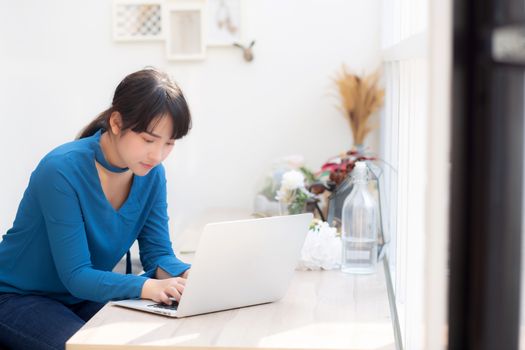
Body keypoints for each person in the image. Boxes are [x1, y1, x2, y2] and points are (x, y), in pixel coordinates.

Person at [0, 68, 192, 350]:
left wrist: (190, 276)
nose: (158, 155)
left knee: (164, 338)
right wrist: (149, 287)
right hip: (18, 297)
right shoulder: (61, 171)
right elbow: (77, 275)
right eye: (149, 140)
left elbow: (158, 255)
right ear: (116, 122)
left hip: (82, 297)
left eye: (169, 143)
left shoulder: (152, 173)